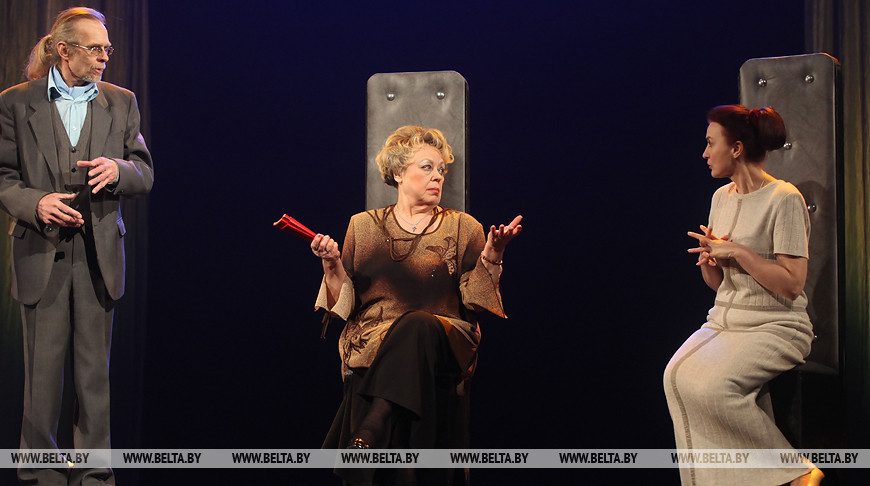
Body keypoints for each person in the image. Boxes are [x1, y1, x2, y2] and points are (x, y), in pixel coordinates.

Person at [311, 126, 521, 485]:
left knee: (416, 323)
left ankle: (370, 431)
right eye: (427, 167)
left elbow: (475, 300)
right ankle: (375, 440)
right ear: (398, 172)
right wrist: (331, 264)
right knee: (400, 339)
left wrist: (493, 255)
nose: (437, 176)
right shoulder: (362, 226)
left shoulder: (463, 227)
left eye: (441, 170)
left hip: (443, 338)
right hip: (375, 343)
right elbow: (343, 306)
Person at [0, 7, 154, 485]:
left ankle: (94, 473)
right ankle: (40, 472)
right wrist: (36, 202)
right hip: (40, 253)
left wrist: (119, 170)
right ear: (64, 51)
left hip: (97, 257)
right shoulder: (15, 102)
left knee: (94, 375)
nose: (106, 56)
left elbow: (144, 171)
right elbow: (3, 176)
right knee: (42, 376)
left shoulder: (121, 102)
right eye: (96, 48)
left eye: (108, 48)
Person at [663, 105, 823, 486]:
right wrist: (710, 260)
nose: (705, 153)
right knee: (675, 377)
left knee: (716, 388)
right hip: (726, 320)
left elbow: (792, 284)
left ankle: (796, 472)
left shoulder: (784, 198)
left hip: (776, 325)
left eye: (710, 143)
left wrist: (738, 252)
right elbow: (721, 285)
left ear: (736, 149)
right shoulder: (721, 197)